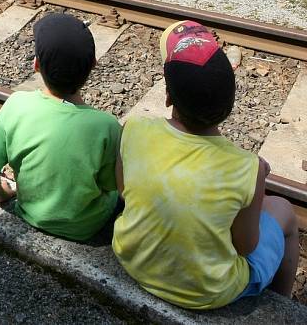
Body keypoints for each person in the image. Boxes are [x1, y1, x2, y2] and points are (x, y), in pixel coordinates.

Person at [113, 20, 299, 309]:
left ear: (168, 97)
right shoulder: (248, 168)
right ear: (228, 107)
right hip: (210, 292)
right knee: (284, 211)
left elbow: (124, 193)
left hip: (134, 262)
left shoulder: (134, 129)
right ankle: (284, 306)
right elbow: (245, 246)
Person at [0, 13, 122, 241]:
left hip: (30, 214)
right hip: (87, 227)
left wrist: (1, 197)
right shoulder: (107, 126)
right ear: (93, 66)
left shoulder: (17, 104)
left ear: (36, 65)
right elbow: (110, 185)